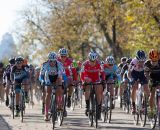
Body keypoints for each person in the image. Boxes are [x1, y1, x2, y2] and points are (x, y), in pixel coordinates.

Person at [39, 52, 65, 121]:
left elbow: (64, 75)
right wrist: (42, 81)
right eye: (51, 61)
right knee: (48, 93)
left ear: (56, 60)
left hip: (57, 78)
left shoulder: (59, 64)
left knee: (59, 87)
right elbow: (41, 76)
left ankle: (59, 104)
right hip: (48, 78)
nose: (52, 63)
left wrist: (64, 81)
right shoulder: (45, 65)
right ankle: (46, 113)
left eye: (54, 61)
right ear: (48, 60)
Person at [80, 51, 105, 119]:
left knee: (99, 91)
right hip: (87, 78)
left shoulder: (99, 64)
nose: (92, 62)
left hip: (96, 79)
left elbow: (102, 73)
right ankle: (87, 106)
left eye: (94, 61)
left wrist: (103, 80)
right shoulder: (84, 64)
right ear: (89, 59)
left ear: (96, 60)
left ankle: (99, 108)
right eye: (91, 61)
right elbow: (81, 74)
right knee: (87, 88)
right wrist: (83, 81)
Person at [144, 49, 160, 118]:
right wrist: (149, 80)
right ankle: (151, 110)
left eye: (155, 60)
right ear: (150, 58)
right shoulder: (147, 63)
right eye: (152, 60)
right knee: (152, 93)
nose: (154, 62)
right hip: (152, 77)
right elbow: (146, 74)